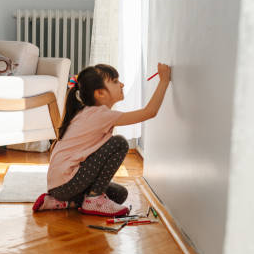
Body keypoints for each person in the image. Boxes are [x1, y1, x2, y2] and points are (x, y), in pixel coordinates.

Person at [33, 63, 171, 216]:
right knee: (119, 143)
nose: (122, 84)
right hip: (67, 183)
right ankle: (93, 200)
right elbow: (149, 112)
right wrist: (164, 80)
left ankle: (63, 202)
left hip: (60, 186)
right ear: (100, 93)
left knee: (119, 194)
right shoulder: (100, 114)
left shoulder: (88, 112)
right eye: (115, 81)